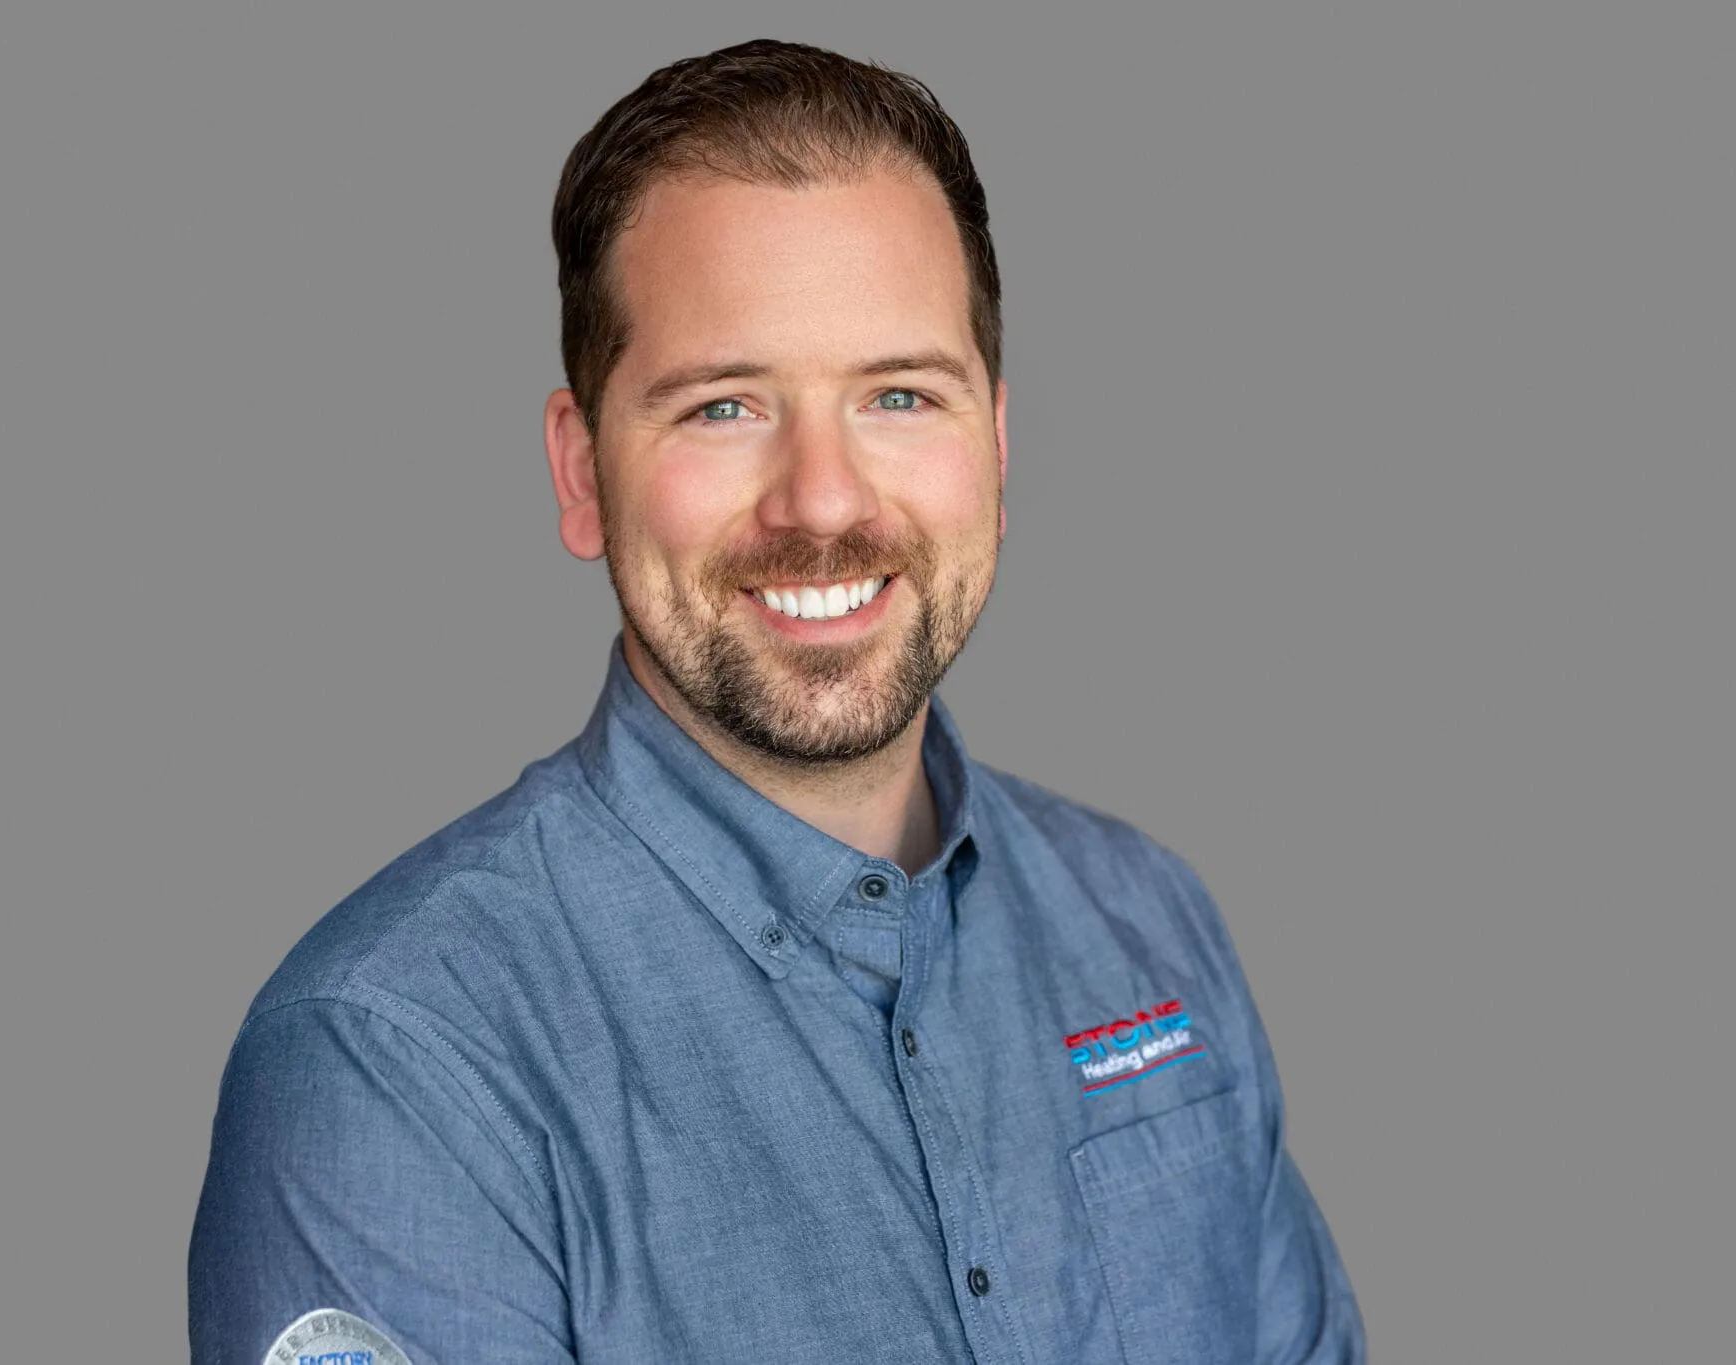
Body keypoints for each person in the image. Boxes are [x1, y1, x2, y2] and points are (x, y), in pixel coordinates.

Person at [189, 38, 1365, 1365]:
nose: (823, 499)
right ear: (582, 474)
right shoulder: (397, 1066)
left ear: (996, 444)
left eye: (901, 395)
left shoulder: (1153, 928)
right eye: (725, 406)